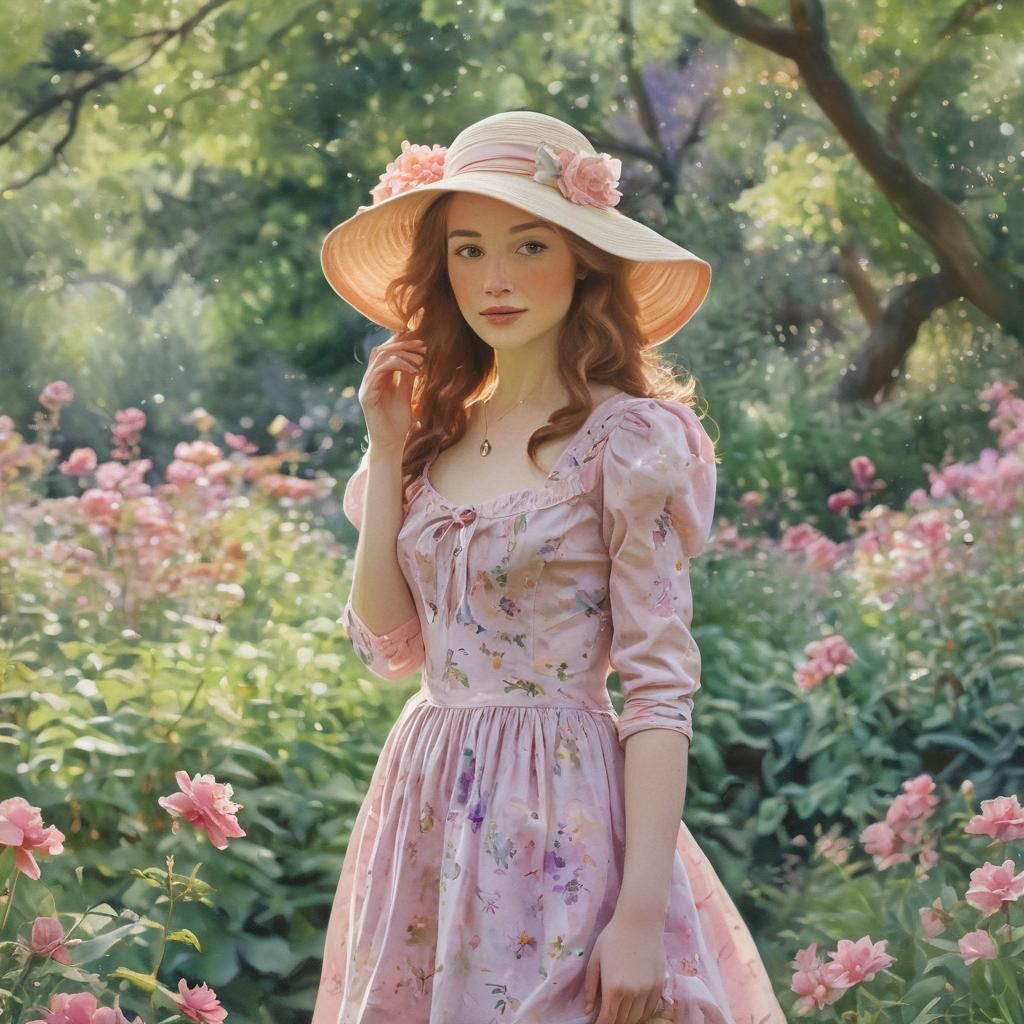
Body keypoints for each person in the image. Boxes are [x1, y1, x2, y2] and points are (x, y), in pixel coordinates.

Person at [311, 110, 785, 1024]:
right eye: (468, 250)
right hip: (424, 808)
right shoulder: (429, 435)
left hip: (562, 816)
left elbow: (658, 690)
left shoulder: (630, 441)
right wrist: (386, 441)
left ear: (581, 258)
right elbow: (388, 642)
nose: (495, 279)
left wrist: (639, 911)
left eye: (529, 245)